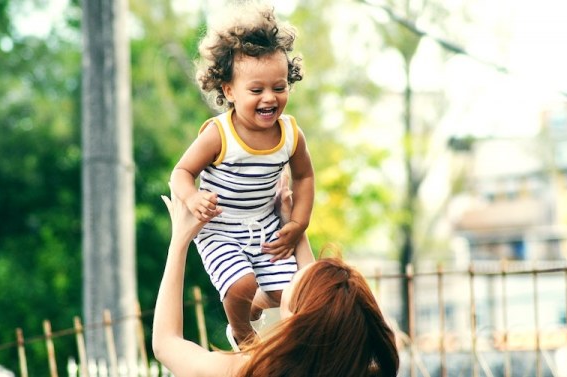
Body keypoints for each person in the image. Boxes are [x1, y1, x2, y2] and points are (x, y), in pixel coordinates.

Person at [169, 2, 315, 349]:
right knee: (240, 285)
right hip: (220, 227)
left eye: (279, 87)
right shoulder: (219, 135)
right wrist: (192, 197)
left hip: (264, 224)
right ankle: (242, 335)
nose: (270, 98)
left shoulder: (291, 134)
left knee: (287, 293)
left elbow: (305, 178)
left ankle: (254, 306)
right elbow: (181, 172)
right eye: (256, 90)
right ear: (229, 90)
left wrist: (297, 224)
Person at [153, 189, 400, 377]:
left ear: (297, 320)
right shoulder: (360, 369)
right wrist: (292, 225)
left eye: (288, 290)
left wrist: (180, 240)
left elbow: (166, 344)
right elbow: (317, 303)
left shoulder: (251, 370)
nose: (288, 277)